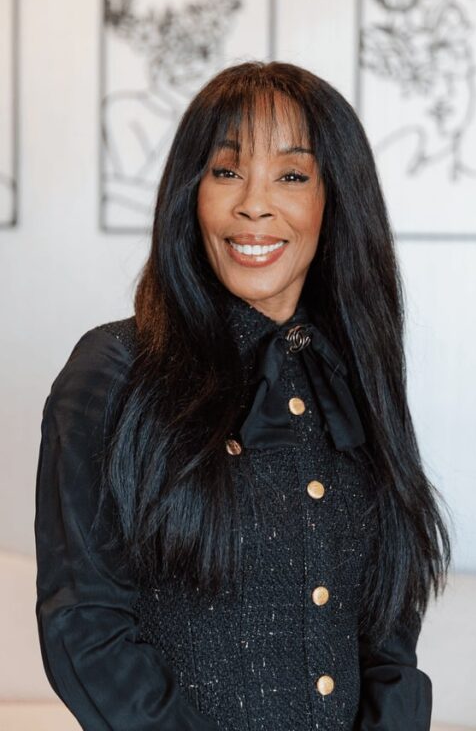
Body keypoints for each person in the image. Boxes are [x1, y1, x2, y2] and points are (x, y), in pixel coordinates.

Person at [34, 60, 452, 730]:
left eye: (291, 176)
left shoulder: (355, 376)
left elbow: (387, 635)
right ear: (190, 193)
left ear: (334, 199)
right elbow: (87, 625)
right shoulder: (114, 370)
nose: (254, 204)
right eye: (226, 171)